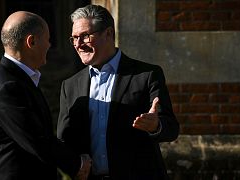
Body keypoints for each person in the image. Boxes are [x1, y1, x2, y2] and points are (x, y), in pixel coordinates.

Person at [57, 4, 179, 180]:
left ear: (108, 33)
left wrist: (155, 125)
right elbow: (65, 139)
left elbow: (171, 129)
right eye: (74, 38)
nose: (78, 44)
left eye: (85, 36)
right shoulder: (70, 86)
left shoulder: (146, 75)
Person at [0, 11, 91, 180]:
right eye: (47, 39)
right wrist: (78, 165)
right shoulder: (9, 87)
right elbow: (37, 140)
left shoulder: (17, 79)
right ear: (31, 41)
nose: (49, 45)